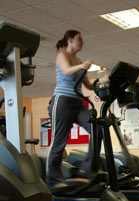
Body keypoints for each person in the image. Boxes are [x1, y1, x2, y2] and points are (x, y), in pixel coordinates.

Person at [46, 30, 93, 187]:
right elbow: (66, 70)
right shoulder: (62, 56)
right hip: (62, 101)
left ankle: (88, 166)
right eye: (80, 39)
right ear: (70, 40)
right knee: (59, 142)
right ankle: (54, 181)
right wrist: (83, 66)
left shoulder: (78, 59)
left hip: (78, 103)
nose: (83, 42)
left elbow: (89, 85)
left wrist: (105, 84)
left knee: (97, 127)